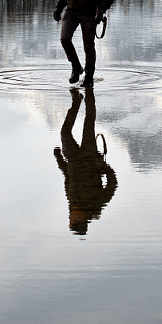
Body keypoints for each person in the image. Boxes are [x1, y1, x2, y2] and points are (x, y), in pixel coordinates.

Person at [54, 87, 117, 236]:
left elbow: (68, 178)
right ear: (82, 219)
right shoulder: (96, 204)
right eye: (73, 220)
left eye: (70, 220)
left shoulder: (72, 204)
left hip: (72, 158)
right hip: (90, 158)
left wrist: (59, 159)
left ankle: (77, 101)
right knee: (88, 123)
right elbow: (112, 184)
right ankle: (89, 95)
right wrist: (104, 166)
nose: (70, 217)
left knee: (64, 132)